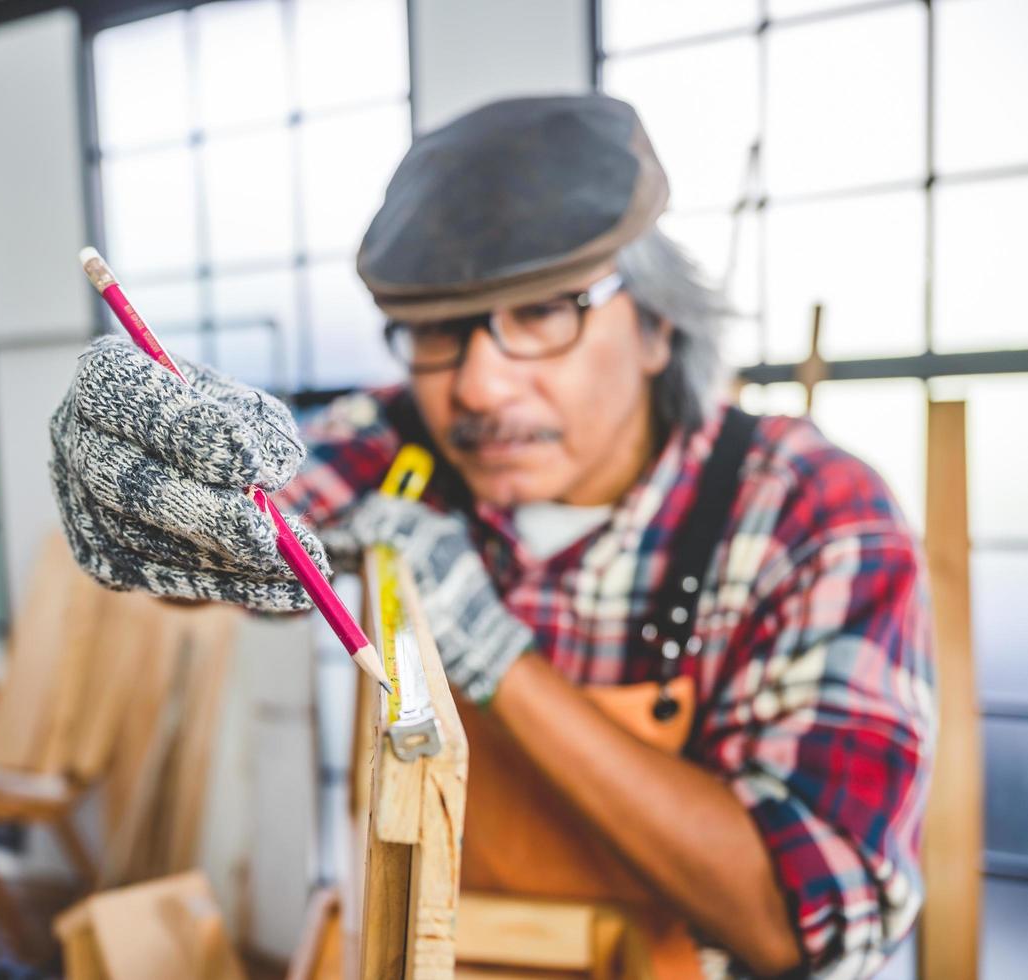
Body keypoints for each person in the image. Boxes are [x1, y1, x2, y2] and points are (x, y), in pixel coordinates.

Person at [50, 95, 933, 978]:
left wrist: (501, 663)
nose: (476, 387)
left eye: (545, 311)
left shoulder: (809, 517)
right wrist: (140, 494)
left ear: (658, 325)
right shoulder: (402, 446)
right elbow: (247, 526)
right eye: (436, 330)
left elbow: (802, 922)